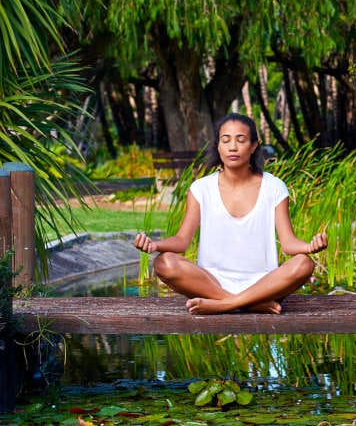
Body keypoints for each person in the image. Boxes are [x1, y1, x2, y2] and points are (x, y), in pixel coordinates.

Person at [134, 113, 327, 315]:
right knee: (164, 263)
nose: (232, 147)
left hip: (263, 283)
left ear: (253, 146)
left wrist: (309, 246)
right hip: (211, 282)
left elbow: (288, 244)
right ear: (218, 146)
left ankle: (223, 305)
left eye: (240, 140)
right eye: (225, 140)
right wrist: (155, 245)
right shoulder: (201, 188)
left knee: (304, 263)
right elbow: (182, 241)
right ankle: (250, 304)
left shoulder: (274, 187)